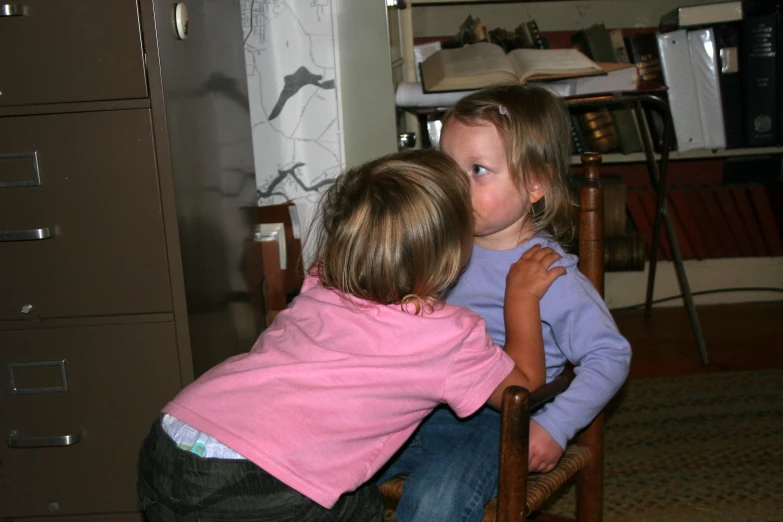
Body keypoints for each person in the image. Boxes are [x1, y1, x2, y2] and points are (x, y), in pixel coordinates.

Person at [135, 148, 567, 522]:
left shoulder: (322, 279)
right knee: (358, 505)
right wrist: (520, 298)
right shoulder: (447, 335)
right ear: (452, 251)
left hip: (170, 442)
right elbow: (522, 389)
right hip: (259, 484)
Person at [375, 85, 632, 521]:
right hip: (425, 398)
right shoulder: (442, 246)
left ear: (535, 183)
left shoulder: (548, 272)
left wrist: (555, 425)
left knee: (439, 499)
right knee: (334, 460)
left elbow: (610, 354)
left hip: (498, 421)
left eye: (477, 169)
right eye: (448, 167)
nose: (455, 185)